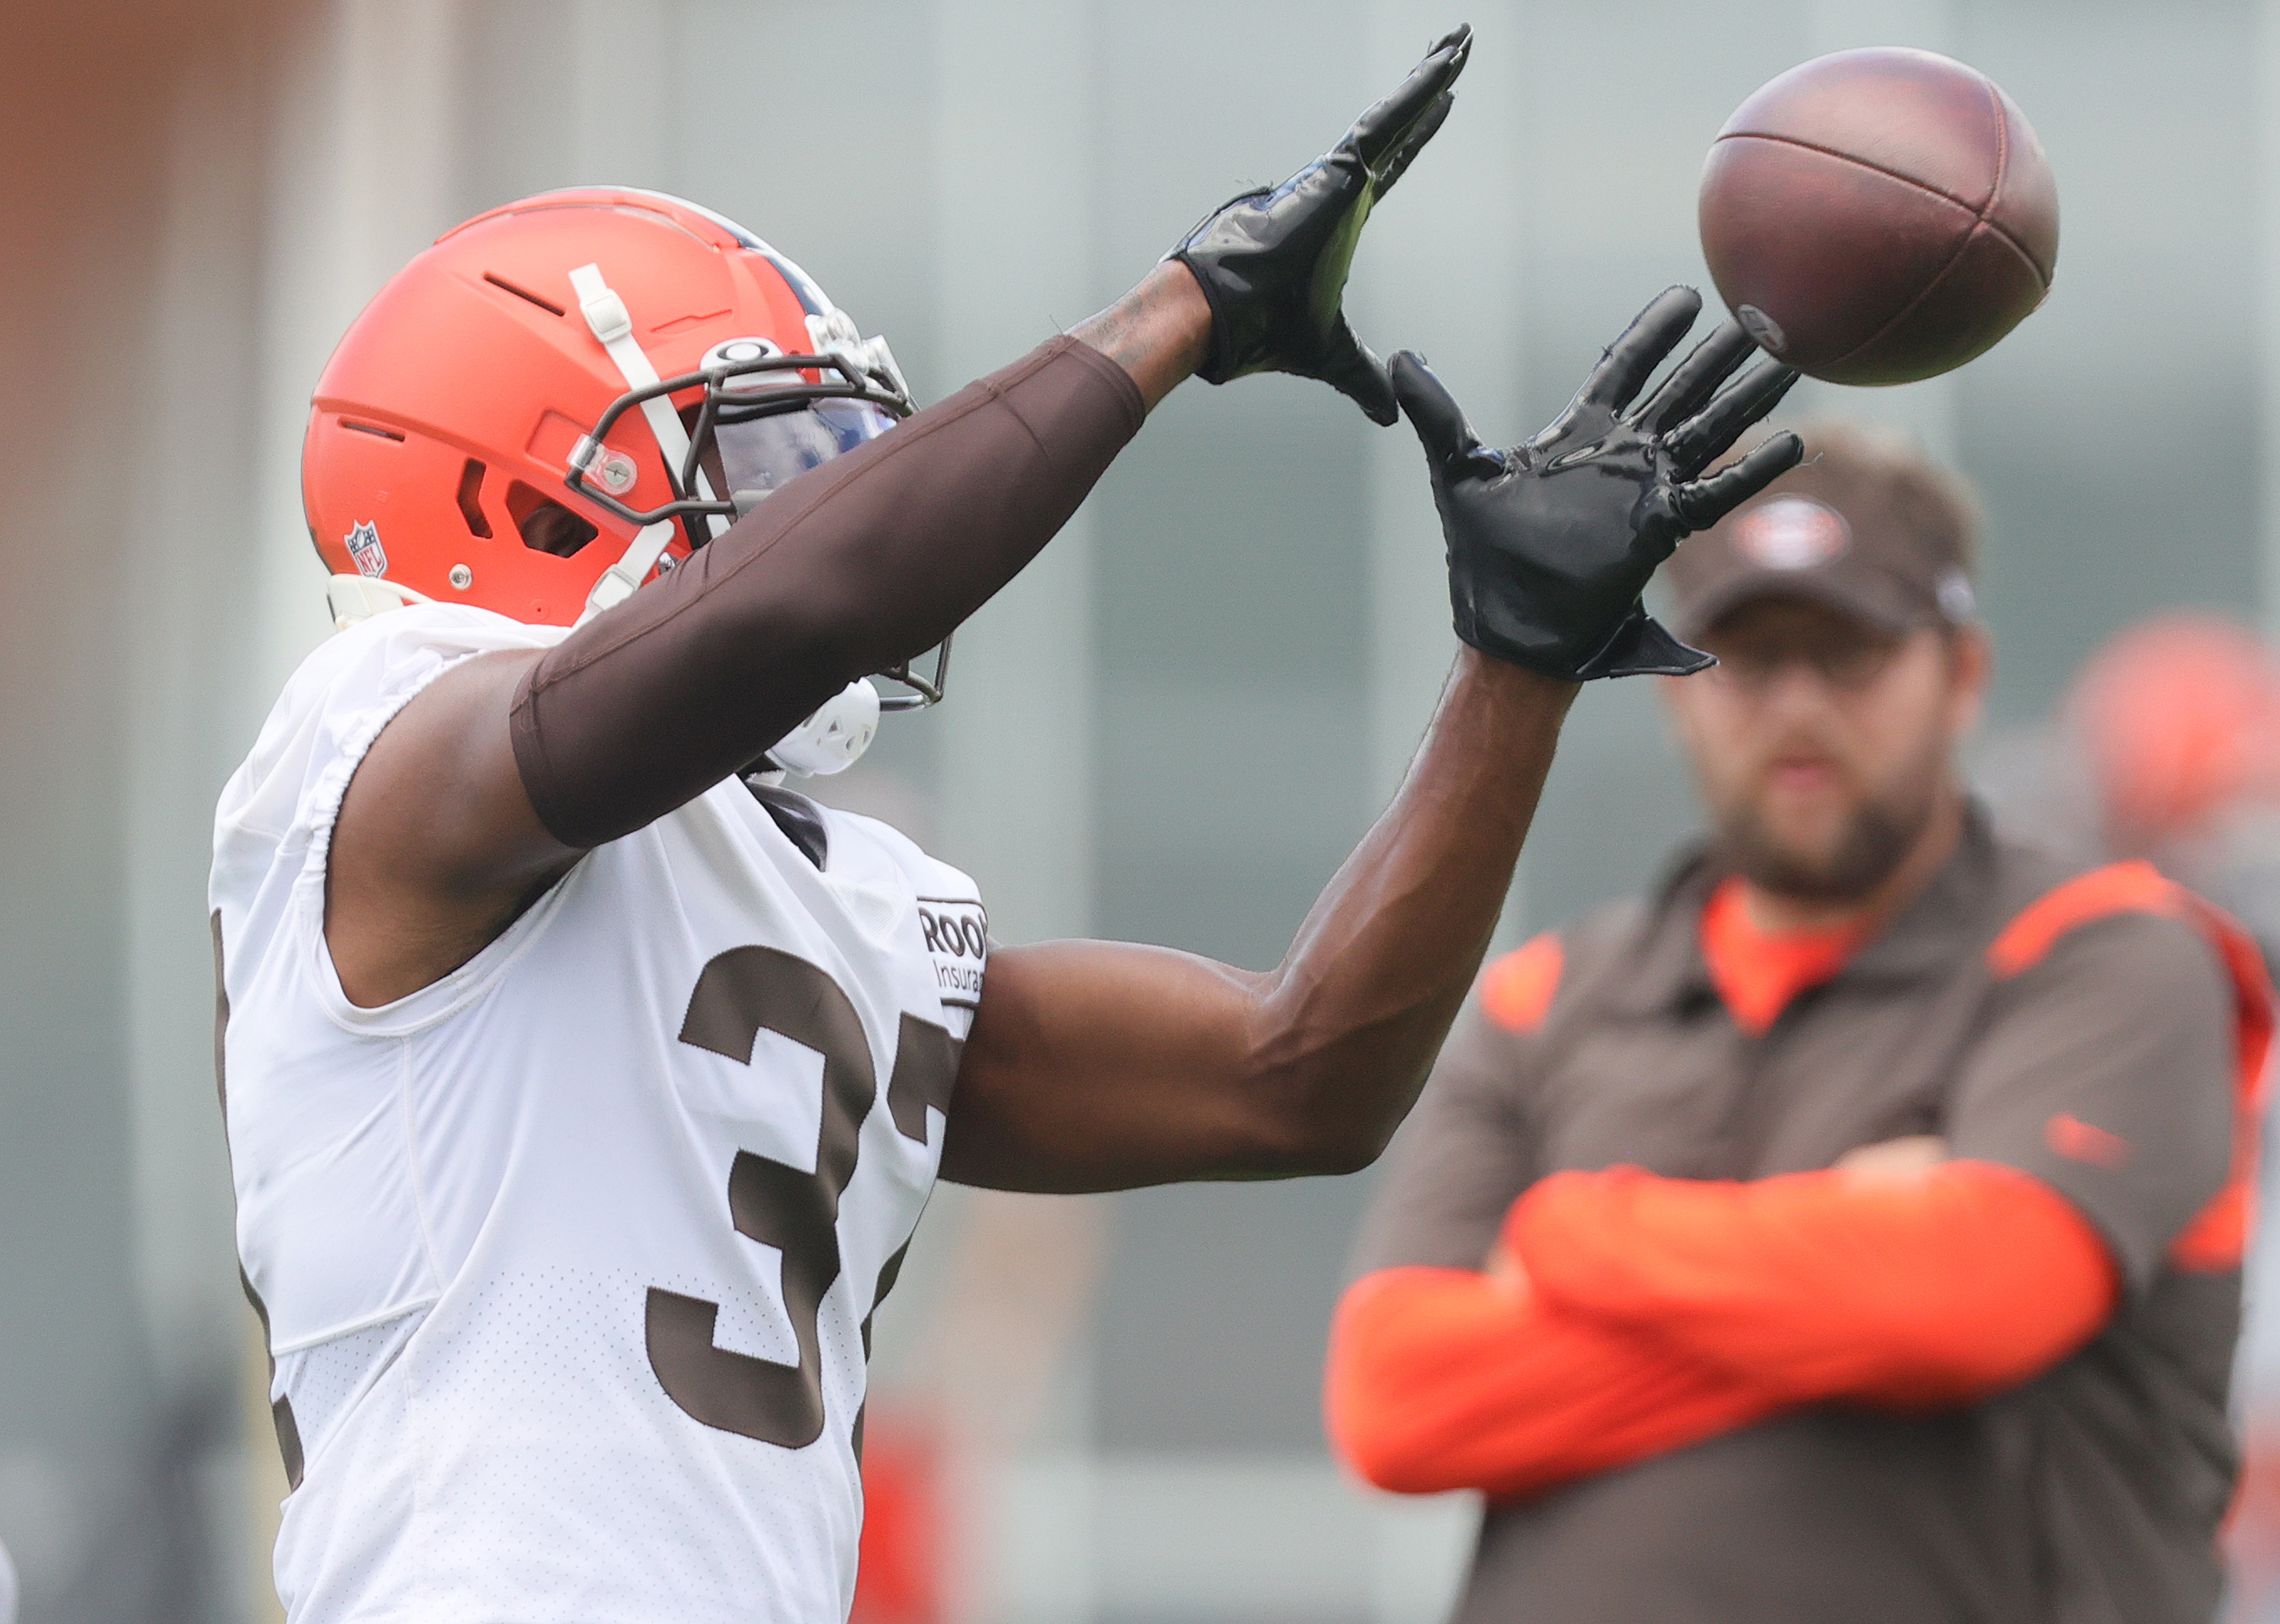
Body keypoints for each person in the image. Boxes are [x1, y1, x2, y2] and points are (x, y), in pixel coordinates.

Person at [208, 28, 1802, 1622]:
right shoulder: (373, 751)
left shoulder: (818, 887)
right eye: (744, 466)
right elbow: (797, 609)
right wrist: (1185, 310)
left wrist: (1517, 663)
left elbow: (1298, 1079)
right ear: (528, 495)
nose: (795, 519)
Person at [1327, 424, 2274, 1624]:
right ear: (1675, 688)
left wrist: (1578, 1236)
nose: (1797, 705)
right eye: (1747, 656)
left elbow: (1979, 1296)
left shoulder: (2115, 953)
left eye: (1852, 652)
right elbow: (1399, 1400)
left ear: (1963, 675)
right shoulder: (1548, 997)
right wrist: (1856, 1273)